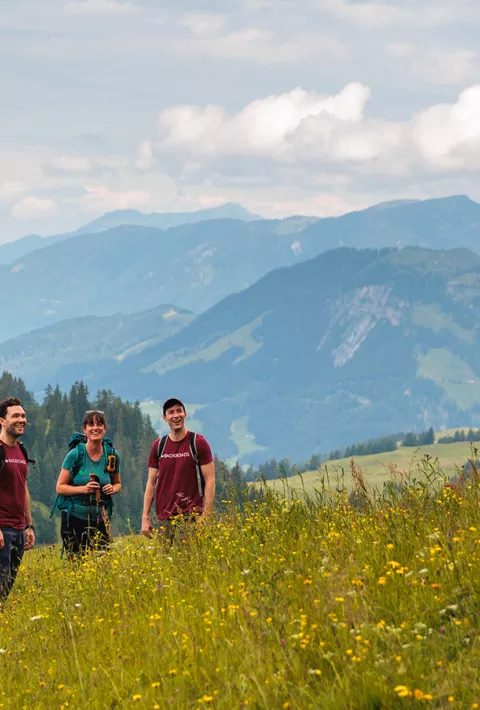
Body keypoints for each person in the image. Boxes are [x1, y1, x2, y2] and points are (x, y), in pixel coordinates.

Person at [142, 398, 215, 541]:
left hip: (191, 517)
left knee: (191, 561)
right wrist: (145, 517)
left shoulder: (198, 442)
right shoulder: (159, 446)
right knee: (167, 562)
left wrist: (206, 515)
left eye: (179, 411)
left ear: (185, 414)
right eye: (171, 412)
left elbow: (210, 480)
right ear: (165, 418)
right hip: (164, 517)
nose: (176, 415)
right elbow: (151, 483)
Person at [55, 410, 121, 555]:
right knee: (77, 565)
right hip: (74, 518)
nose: (95, 428)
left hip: (101, 518)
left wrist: (113, 489)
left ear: (105, 429)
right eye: (90, 424)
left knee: (103, 564)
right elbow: (60, 488)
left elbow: (117, 483)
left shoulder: (112, 455)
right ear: (84, 429)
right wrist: (83, 489)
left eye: (99, 424)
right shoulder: (75, 455)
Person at [0, 397, 35, 601]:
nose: (21, 419)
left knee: (6, 589)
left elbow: (24, 488)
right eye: (15, 416)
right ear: (2, 421)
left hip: (18, 530)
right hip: (2, 529)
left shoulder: (21, 450)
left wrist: (29, 526)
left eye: (23, 415)